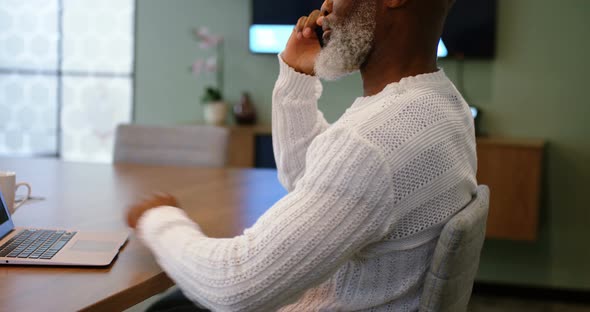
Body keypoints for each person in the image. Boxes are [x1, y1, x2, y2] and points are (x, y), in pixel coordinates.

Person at [127, 0, 477, 310]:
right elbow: (313, 184)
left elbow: (234, 287)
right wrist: (296, 75)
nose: (326, 6)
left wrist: (158, 219)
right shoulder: (446, 108)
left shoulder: (372, 142)